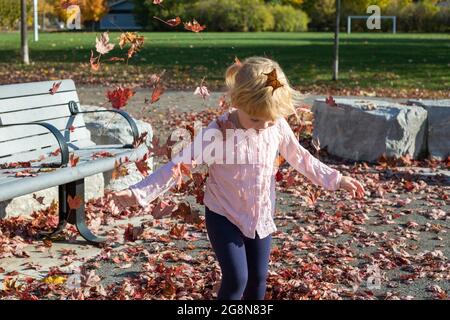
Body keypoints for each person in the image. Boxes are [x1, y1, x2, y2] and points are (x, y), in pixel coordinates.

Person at [110, 56, 365, 300]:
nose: (264, 126)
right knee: (236, 279)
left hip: (259, 216)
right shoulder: (218, 132)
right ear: (237, 102)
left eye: (270, 119)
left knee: (258, 278)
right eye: (256, 119)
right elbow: (179, 166)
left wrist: (336, 179)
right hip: (223, 215)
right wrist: (137, 194)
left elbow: (301, 158)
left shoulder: (276, 125)